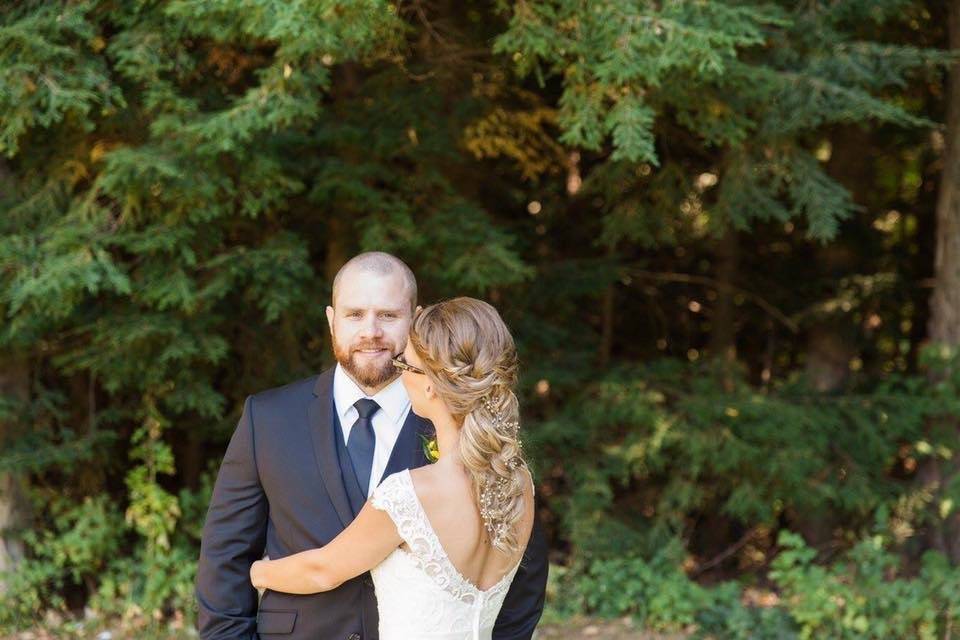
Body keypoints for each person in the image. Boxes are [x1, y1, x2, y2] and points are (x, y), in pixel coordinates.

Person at [195, 252, 547, 640]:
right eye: (354, 314)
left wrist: (261, 572)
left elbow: (522, 587)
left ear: (415, 318)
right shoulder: (267, 419)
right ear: (331, 320)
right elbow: (223, 561)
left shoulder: (470, 437)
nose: (371, 331)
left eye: (388, 315)